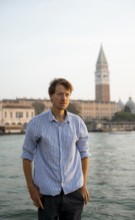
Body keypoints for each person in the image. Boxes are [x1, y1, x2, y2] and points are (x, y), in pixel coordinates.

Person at [21, 78, 90, 220]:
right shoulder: (36, 124)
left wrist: (83, 184)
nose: (64, 98)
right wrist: (31, 187)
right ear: (51, 96)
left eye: (67, 94)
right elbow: (27, 156)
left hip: (74, 192)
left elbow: (84, 154)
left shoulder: (78, 123)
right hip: (46, 196)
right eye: (59, 94)